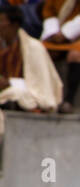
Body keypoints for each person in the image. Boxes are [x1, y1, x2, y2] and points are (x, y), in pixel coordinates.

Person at [0, 3, 61, 133]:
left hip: (23, 92)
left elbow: (39, 84)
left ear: (14, 25)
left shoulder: (33, 48)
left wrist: (10, 82)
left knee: (18, 94)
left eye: (1, 21)